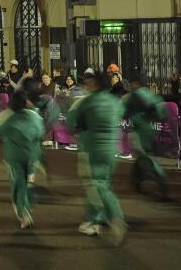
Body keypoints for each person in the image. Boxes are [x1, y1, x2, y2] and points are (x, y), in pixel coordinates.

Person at [66, 72, 127, 246]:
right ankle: (93, 219)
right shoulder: (115, 102)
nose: (86, 84)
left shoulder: (87, 102)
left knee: (95, 184)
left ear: (95, 84)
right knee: (103, 183)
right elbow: (121, 115)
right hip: (112, 149)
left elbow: (73, 122)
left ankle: (116, 217)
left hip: (92, 148)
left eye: (89, 82)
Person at [0, 90, 45, 229]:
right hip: (32, 155)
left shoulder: (8, 115)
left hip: (14, 156)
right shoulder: (35, 116)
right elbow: (41, 132)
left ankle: (23, 213)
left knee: (18, 184)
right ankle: (28, 206)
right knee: (28, 183)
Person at [123, 73, 168, 199]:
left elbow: (123, 112)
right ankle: (135, 181)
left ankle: (160, 179)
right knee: (141, 154)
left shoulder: (135, 95)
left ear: (136, 83)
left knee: (144, 155)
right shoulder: (150, 94)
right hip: (151, 128)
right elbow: (162, 112)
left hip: (139, 129)